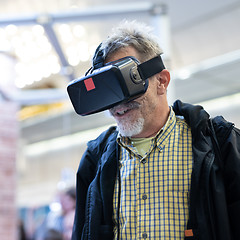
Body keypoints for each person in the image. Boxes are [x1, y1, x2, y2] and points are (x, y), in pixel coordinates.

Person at [71, 20, 240, 240]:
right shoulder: (95, 159)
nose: (118, 105)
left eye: (127, 85)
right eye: (110, 92)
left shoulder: (219, 144)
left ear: (161, 81)